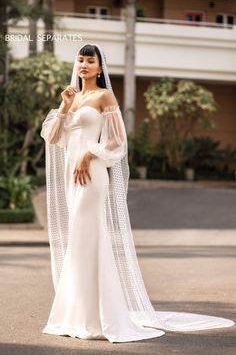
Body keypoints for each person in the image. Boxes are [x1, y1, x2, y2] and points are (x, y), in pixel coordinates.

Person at [40, 43, 234, 343]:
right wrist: (64, 106)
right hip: (71, 177)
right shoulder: (72, 97)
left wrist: (90, 153)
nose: (83, 65)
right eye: (80, 60)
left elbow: (118, 141)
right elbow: (53, 138)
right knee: (78, 242)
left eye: (89, 61)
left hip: (91, 177)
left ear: (100, 67)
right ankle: (76, 315)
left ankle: (98, 318)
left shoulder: (104, 97)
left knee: (87, 238)